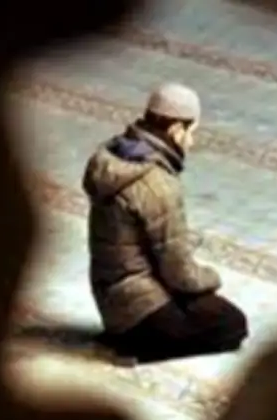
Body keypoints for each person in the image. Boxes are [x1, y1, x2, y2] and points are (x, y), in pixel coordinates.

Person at [82, 82, 249, 362]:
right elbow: (179, 274)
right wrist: (211, 277)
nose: (191, 143)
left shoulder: (111, 156)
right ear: (175, 130)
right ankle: (136, 349)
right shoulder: (157, 184)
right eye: (191, 133)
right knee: (232, 324)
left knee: (206, 308)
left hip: (109, 297)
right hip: (138, 309)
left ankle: (126, 337)